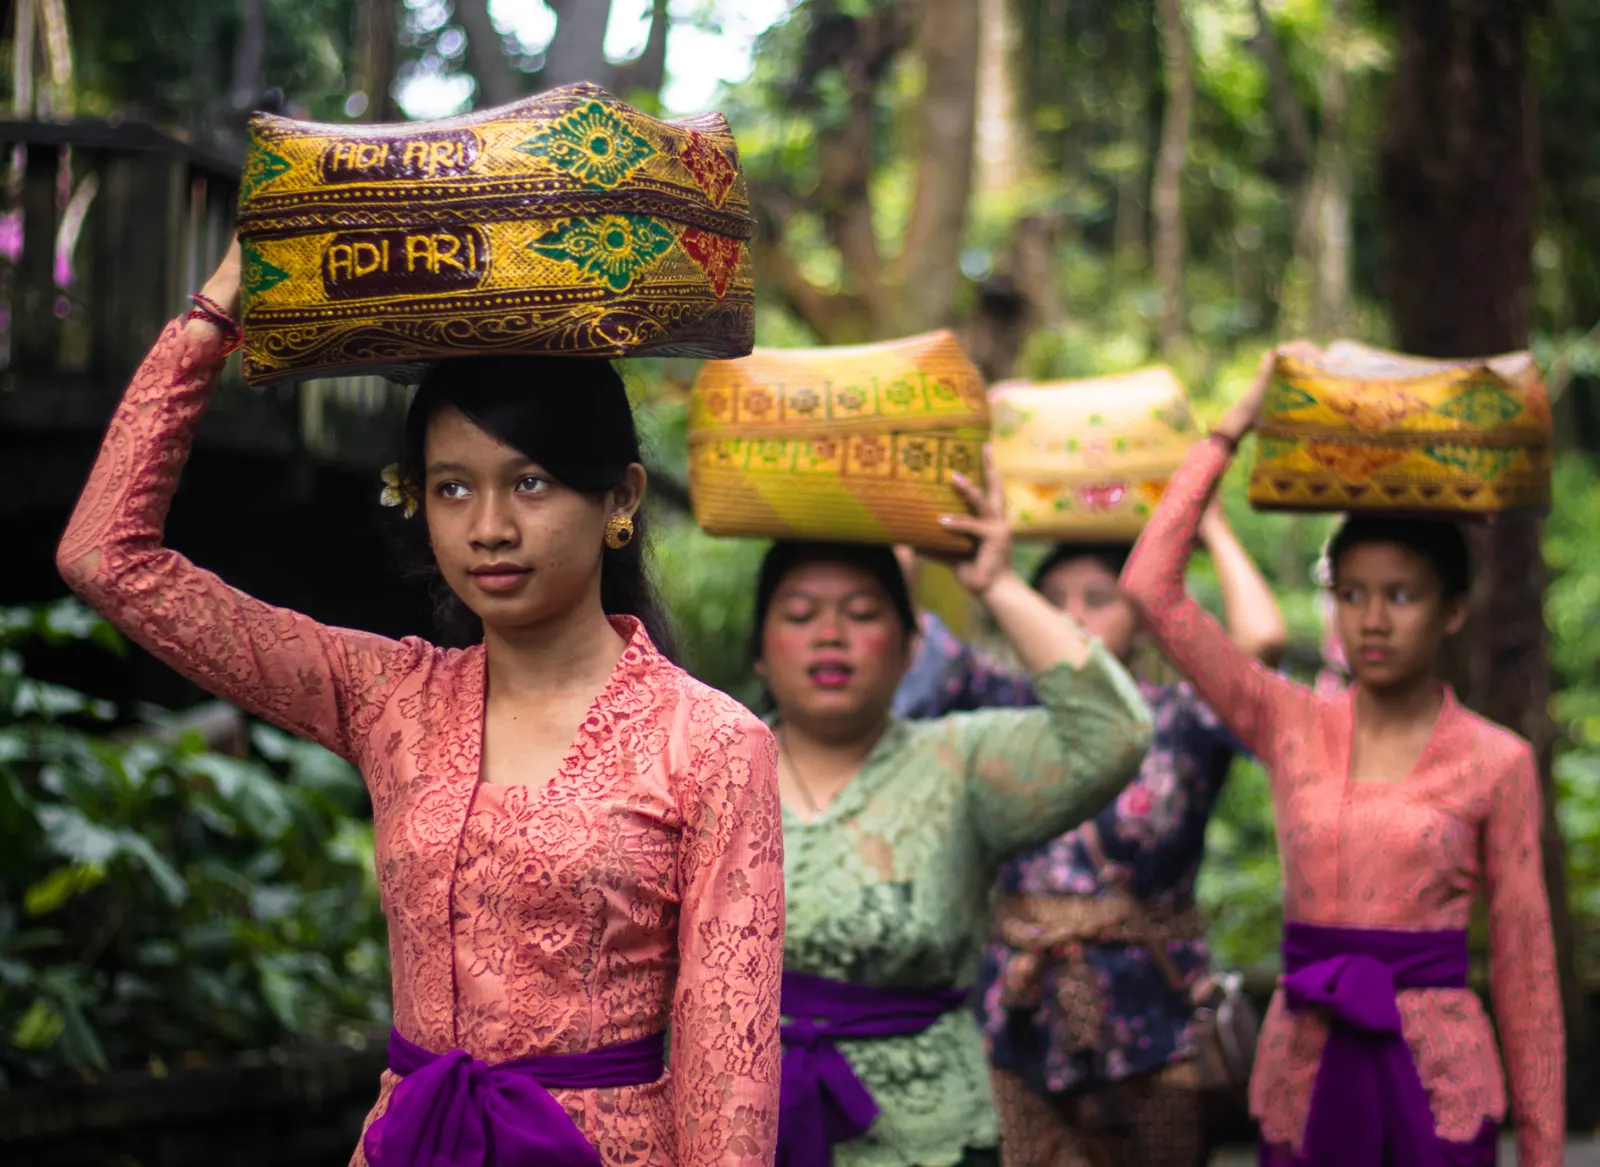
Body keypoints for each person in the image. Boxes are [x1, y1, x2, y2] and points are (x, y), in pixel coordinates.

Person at [56, 240, 785, 1167]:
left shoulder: (714, 744)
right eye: (452, 488)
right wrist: (218, 309)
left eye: (530, 481)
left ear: (620, 497)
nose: (488, 526)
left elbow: (731, 1085)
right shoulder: (389, 699)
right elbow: (105, 558)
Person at [1120, 349, 1564, 1167]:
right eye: (1351, 592)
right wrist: (1234, 423)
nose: (1372, 619)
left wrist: (1542, 1150)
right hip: (1307, 1062)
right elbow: (1151, 588)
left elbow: (1526, 965)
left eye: (1402, 594)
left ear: (1454, 610)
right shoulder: (1287, 720)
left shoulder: (1496, 761)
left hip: (1440, 1074)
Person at [755, 453, 1154, 1167]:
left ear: (914, 649)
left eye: (863, 613)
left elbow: (1115, 734)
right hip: (739, 1121)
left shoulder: (961, 760)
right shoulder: (711, 761)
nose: (830, 635)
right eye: (799, 614)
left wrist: (996, 582)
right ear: (760, 652)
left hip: (932, 1136)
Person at [891, 502, 1286, 1167]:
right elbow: (896, 636)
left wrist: (1210, 524)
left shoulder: (1181, 713)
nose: (1072, 614)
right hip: (1016, 1015)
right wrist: (918, 522)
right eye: (1051, 599)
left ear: (1141, 615)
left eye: (1099, 598)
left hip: (1157, 1014)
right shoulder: (997, 701)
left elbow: (1262, 644)